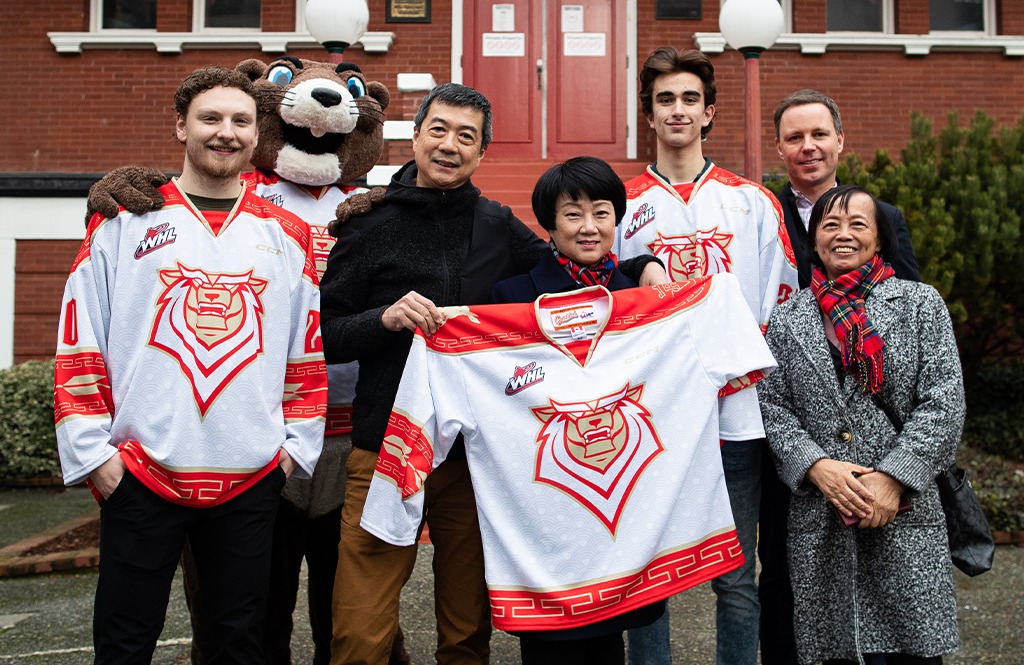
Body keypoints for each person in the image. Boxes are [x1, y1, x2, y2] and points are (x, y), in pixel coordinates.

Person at [319, 83, 664, 665]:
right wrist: (385, 317)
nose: (450, 146)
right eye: (439, 130)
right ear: (417, 133)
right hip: (384, 450)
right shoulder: (368, 224)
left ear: (482, 154)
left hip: (471, 459)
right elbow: (329, 336)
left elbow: (570, 263)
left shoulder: (498, 225)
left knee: (467, 629)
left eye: (467, 137)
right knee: (360, 631)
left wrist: (640, 266)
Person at [53, 66, 327, 664]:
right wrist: (96, 457)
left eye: (240, 121)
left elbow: (305, 351)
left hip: (251, 474)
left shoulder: (289, 233)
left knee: (237, 642)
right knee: (124, 643)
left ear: (259, 136)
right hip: (139, 470)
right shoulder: (123, 219)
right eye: (210, 118)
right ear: (181, 126)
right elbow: (81, 339)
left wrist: (291, 452)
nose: (225, 133)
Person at [614, 46, 798, 665]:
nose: (678, 110)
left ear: (710, 110)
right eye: (665, 99)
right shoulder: (619, 208)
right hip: (655, 418)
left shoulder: (753, 203)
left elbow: (783, 312)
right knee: (647, 575)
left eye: (690, 98)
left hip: (738, 417)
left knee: (737, 578)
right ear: (649, 113)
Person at [757, 185, 963, 665]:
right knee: (836, 651)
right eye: (830, 225)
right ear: (813, 242)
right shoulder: (787, 321)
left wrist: (894, 478)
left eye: (857, 224)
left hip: (904, 511)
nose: (842, 235)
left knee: (910, 651)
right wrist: (815, 466)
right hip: (824, 515)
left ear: (880, 240)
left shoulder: (920, 304)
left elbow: (944, 401)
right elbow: (773, 407)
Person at [760, 89, 922, 664]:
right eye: (795, 137)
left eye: (819, 134)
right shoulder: (759, 214)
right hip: (798, 430)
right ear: (778, 147)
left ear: (839, 141)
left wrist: (895, 466)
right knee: (785, 568)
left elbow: (909, 326)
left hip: (879, 441)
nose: (808, 147)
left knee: (888, 580)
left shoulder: (884, 216)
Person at [492, 156, 666, 664]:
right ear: (549, 224)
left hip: (620, 476)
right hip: (549, 484)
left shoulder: (642, 296)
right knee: (551, 633)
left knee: (612, 629)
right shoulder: (513, 297)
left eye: (602, 212)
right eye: (573, 215)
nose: (589, 227)